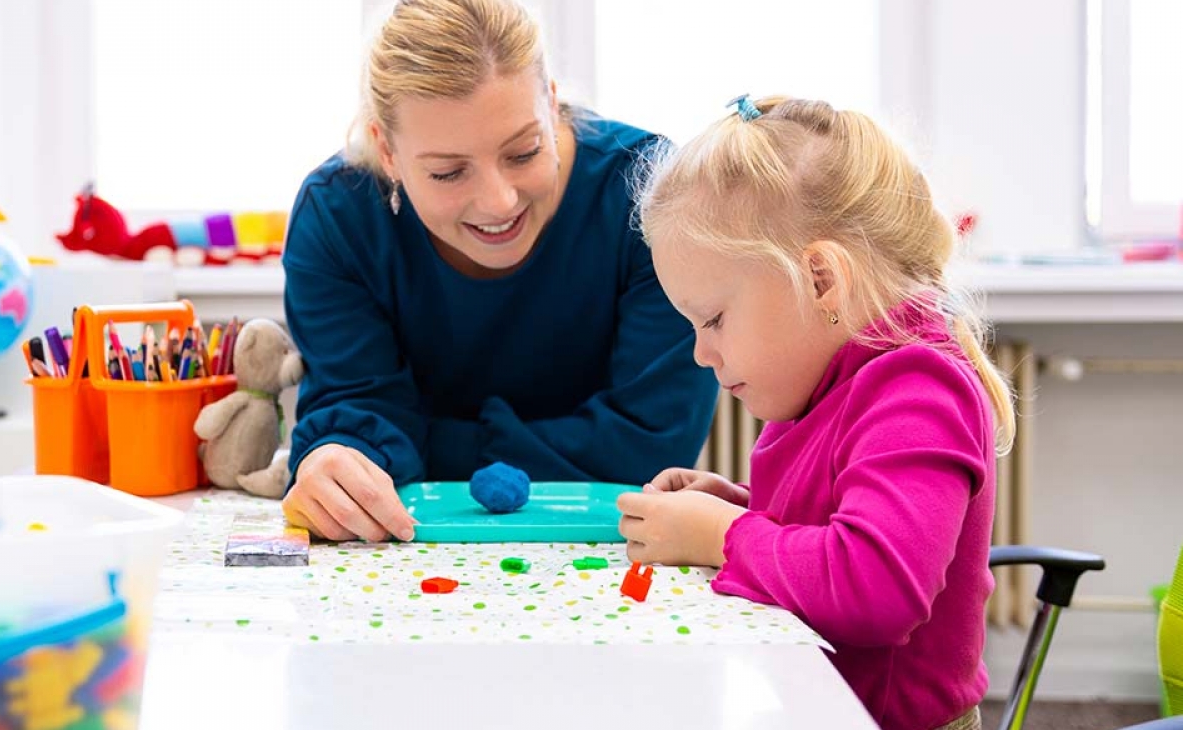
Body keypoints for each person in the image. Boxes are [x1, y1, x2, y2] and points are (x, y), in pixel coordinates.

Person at [617, 95, 1015, 730]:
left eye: (714, 319)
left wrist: (721, 535)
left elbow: (876, 588)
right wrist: (743, 507)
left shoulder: (918, 387)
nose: (699, 353)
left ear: (822, 279)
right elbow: (838, 524)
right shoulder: (829, 380)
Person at [281, 0, 717, 543]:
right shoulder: (337, 218)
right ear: (386, 151)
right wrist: (336, 461)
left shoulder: (650, 195)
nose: (498, 202)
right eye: (447, 172)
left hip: (614, 544)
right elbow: (355, 415)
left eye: (524, 151)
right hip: (410, 549)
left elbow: (650, 444)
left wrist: (420, 446)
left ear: (552, 104)